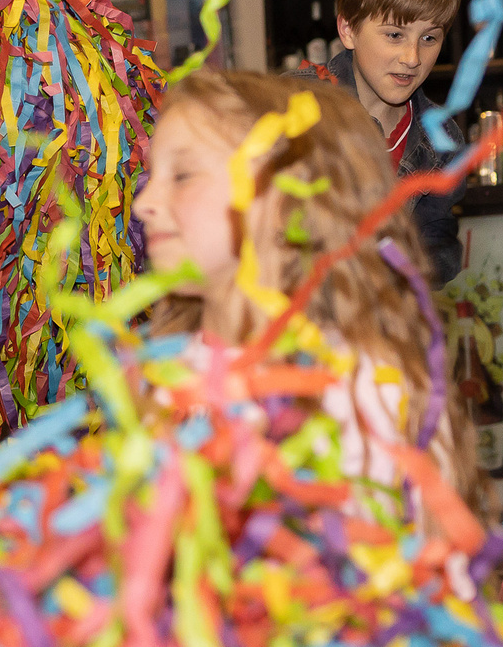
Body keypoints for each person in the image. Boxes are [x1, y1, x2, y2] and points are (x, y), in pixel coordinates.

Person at [132, 67, 481, 514]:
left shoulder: (365, 393)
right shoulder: (164, 375)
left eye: (182, 175)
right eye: (152, 175)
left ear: (284, 198)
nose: (144, 203)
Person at [318, 0, 465, 287]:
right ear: (348, 29)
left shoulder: (443, 142)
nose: (412, 58)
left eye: (429, 38)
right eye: (395, 35)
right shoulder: (294, 106)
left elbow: (439, 250)